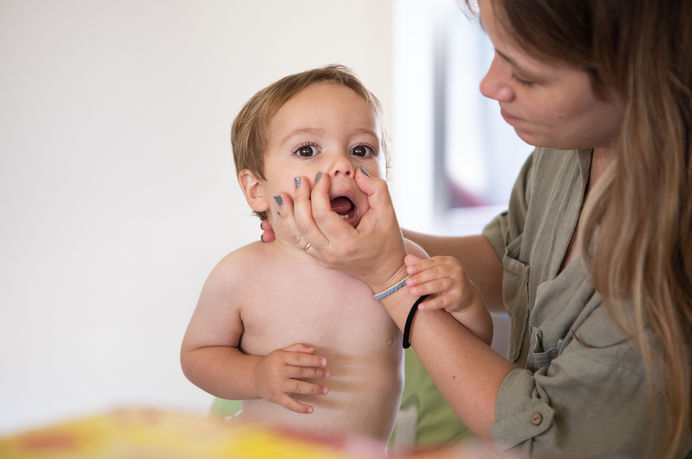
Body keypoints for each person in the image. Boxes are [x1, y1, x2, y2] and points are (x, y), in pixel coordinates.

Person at [259, 1, 692, 458]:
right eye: (494, 48)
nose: (488, 85)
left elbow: (544, 441)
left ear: (637, 76)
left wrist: (390, 276)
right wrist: (361, 242)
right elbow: (512, 256)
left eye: (527, 76)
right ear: (253, 187)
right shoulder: (569, 147)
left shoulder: (670, 255)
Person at [179, 64, 492, 448]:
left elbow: (469, 348)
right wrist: (256, 375)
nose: (343, 164)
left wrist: (466, 301)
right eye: (307, 150)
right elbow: (197, 356)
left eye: (361, 150)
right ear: (257, 190)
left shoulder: (401, 262)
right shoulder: (241, 273)